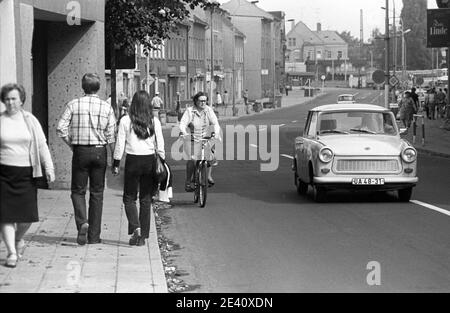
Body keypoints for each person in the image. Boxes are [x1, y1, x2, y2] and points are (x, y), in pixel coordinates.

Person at [56, 73, 116, 246]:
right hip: (99, 151)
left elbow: (61, 128)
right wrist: (115, 159)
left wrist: (72, 144)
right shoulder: (106, 107)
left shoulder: (73, 104)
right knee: (97, 193)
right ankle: (94, 236)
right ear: (99, 87)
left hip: (81, 151)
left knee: (78, 190)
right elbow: (111, 135)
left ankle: (82, 222)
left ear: (83, 87)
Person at [0, 83, 55, 268]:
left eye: (14, 98)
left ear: (21, 100)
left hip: (26, 173)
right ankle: (11, 252)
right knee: (5, 216)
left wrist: (49, 168)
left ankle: (17, 239)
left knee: (27, 217)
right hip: (4, 173)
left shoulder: (30, 120)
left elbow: (41, 145)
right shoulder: (0, 120)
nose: (10, 102)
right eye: (7, 99)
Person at [112, 91, 164, 246]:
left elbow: (120, 144)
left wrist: (116, 164)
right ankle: (142, 237)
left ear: (133, 103)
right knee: (146, 199)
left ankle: (136, 227)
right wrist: (162, 162)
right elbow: (160, 144)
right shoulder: (154, 121)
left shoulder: (125, 120)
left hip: (132, 160)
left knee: (129, 197)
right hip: (149, 160)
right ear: (148, 104)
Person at [179, 92, 221, 192]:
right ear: (196, 101)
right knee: (192, 160)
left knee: (211, 156)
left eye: (204, 101)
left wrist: (215, 133)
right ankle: (188, 181)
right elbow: (183, 123)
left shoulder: (208, 110)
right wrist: (184, 133)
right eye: (200, 101)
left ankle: (208, 176)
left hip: (205, 137)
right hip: (192, 138)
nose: (203, 103)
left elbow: (215, 123)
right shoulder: (190, 111)